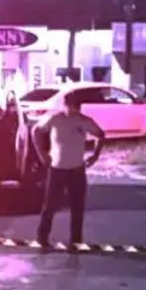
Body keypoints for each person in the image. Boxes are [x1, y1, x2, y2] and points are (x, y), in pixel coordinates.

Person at [32, 89, 106, 247]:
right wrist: (42, 153)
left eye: (76, 106)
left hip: (77, 169)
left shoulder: (84, 121)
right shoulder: (55, 119)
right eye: (70, 105)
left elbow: (100, 134)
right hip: (57, 168)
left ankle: (76, 240)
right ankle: (42, 237)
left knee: (77, 207)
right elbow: (36, 131)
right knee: (50, 205)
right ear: (64, 105)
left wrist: (95, 155)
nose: (73, 109)